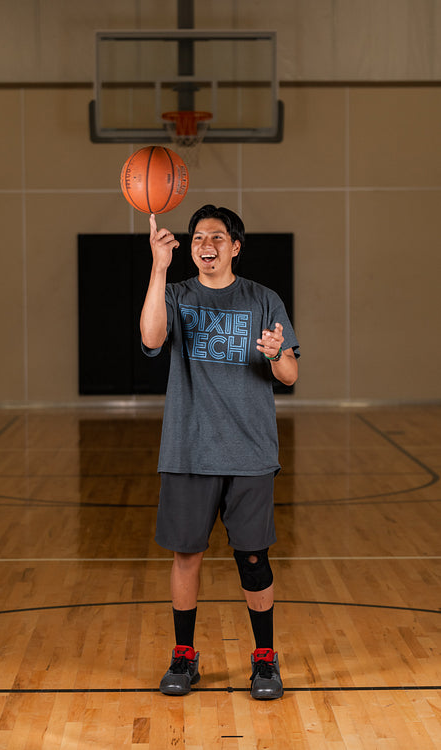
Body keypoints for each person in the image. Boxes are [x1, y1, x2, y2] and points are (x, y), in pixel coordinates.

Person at [140, 204, 299, 700]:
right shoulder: (175, 294)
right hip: (189, 449)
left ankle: (265, 661)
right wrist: (159, 266)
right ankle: (184, 657)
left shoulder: (263, 299)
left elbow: (290, 374)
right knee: (187, 554)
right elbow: (150, 337)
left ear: (235, 245)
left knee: (253, 558)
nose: (205, 243)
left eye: (216, 236)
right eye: (197, 237)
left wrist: (276, 354)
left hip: (250, 451)